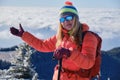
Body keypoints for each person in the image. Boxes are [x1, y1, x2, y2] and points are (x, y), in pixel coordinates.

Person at [10, 1, 101, 80]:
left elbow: (88, 63)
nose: (66, 21)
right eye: (62, 19)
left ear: (76, 18)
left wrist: (69, 53)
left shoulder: (88, 37)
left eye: (69, 17)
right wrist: (23, 35)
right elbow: (42, 45)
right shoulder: (61, 37)